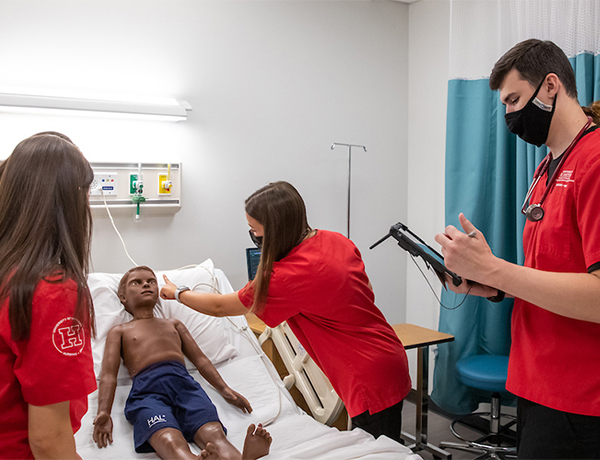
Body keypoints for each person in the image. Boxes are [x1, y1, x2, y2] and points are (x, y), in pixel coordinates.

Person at [435, 39, 600, 459]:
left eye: (513, 100)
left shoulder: (594, 160)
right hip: (534, 383)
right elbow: (553, 273)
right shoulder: (547, 166)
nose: (508, 115)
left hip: (579, 399)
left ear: (550, 86)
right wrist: (490, 284)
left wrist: (496, 271)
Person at [161, 181, 411, 443]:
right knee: (385, 443)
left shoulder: (285, 276)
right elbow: (366, 291)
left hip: (365, 376)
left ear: (274, 230)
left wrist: (178, 293)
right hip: (388, 353)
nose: (253, 235)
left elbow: (220, 306)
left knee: (382, 450)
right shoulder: (336, 239)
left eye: (254, 230)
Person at [93, 265, 272, 460]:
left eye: (151, 281)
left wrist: (225, 389)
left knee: (214, 434)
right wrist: (103, 412)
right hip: (147, 394)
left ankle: (239, 458)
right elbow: (109, 375)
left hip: (186, 387)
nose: (146, 284)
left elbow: (201, 360)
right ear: (122, 297)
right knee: (169, 440)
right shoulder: (120, 331)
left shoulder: (174, 324)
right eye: (137, 282)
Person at [0, 132, 97, 459]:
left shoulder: (7, 270)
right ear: (69, 200)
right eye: (85, 192)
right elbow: (48, 441)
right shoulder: (50, 290)